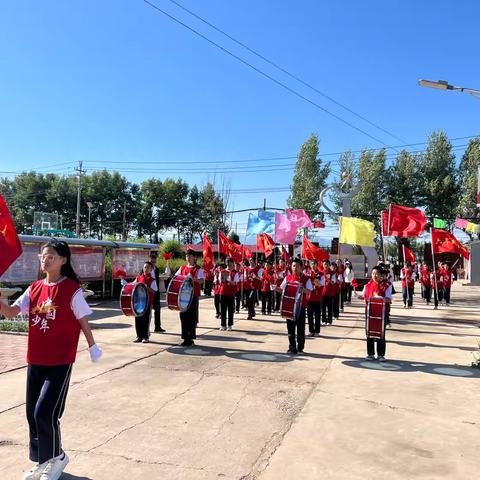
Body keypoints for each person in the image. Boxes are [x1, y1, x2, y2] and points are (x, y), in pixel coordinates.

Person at [0, 239, 102, 480]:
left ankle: (57, 458)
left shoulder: (71, 289)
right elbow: (12, 312)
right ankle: (43, 460)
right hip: (36, 359)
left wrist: (92, 345)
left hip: (60, 361)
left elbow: (82, 320)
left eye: (51, 256)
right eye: (43, 256)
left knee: (45, 412)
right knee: (31, 415)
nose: (45, 259)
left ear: (63, 260)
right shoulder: (34, 288)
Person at [358, 266, 392, 361]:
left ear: (381, 275)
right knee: (369, 333)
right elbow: (363, 295)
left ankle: (381, 355)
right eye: (373, 273)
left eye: (376, 273)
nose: (374, 275)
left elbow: (389, 299)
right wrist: (358, 296)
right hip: (370, 313)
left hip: (381, 313)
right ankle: (370, 354)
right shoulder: (368, 285)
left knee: (381, 333)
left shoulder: (387, 285)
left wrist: (379, 298)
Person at [279, 258, 313, 354]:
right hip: (289, 306)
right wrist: (275, 288)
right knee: (290, 328)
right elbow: (282, 289)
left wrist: (301, 287)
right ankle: (292, 347)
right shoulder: (288, 277)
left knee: (300, 328)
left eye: (297, 266)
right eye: (293, 266)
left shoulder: (306, 278)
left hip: (300, 307)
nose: (295, 268)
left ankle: (300, 347)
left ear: (301, 267)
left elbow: (310, 291)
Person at [175, 248, 204, 346]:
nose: (188, 258)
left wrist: (193, 279)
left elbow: (201, 280)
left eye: (190, 256)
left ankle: (190, 338)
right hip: (183, 295)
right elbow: (176, 278)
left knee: (191, 317)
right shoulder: (182, 268)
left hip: (193, 295)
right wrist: (169, 274)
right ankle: (185, 337)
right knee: (183, 316)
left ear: (194, 257)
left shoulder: (198, 269)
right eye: (187, 256)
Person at [133, 261, 158, 343]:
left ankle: (145, 337)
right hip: (138, 303)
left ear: (151, 269)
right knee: (138, 319)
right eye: (145, 267)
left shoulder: (152, 280)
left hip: (147, 303)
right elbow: (133, 286)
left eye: (148, 267)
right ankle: (139, 336)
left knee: (146, 320)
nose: (146, 269)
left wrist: (148, 288)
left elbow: (154, 292)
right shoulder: (138, 278)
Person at [219, 257, 238, 331]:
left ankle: (230, 325)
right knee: (223, 310)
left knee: (230, 310)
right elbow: (221, 281)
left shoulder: (235, 272)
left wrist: (229, 280)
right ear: (226, 263)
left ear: (233, 263)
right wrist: (223, 279)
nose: (229, 265)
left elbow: (235, 283)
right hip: (223, 292)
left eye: (231, 263)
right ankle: (223, 325)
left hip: (231, 293)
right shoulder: (222, 271)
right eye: (228, 263)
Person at [149, 252, 166, 334]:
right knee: (147, 311)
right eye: (152, 258)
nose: (153, 260)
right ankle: (146, 329)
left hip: (156, 292)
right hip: (148, 292)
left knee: (158, 309)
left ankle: (157, 326)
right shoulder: (145, 268)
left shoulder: (157, 269)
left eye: (154, 258)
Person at [307, 260, 324, 337]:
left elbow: (322, 284)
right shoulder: (307, 274)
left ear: (317, 265)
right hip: (309, 297)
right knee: (309, 315)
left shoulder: (321, 274)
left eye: (314, 264)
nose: (313, 265)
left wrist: (316, 281)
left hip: (317, 297)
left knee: (317, 315)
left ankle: (317, 331)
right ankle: (311, 330)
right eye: (312, 264)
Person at [321, 260, 335, 325]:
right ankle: (324, 320)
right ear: (323, 265)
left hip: (330, 293)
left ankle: (329, 321)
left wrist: (329, 279)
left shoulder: (332, 273)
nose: (325, 266)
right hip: (322, 293)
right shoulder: (321, 273)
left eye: (327, 264)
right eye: (324, 264)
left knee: (329, 308)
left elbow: (333, 282)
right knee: (323, 308)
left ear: (329, 265)